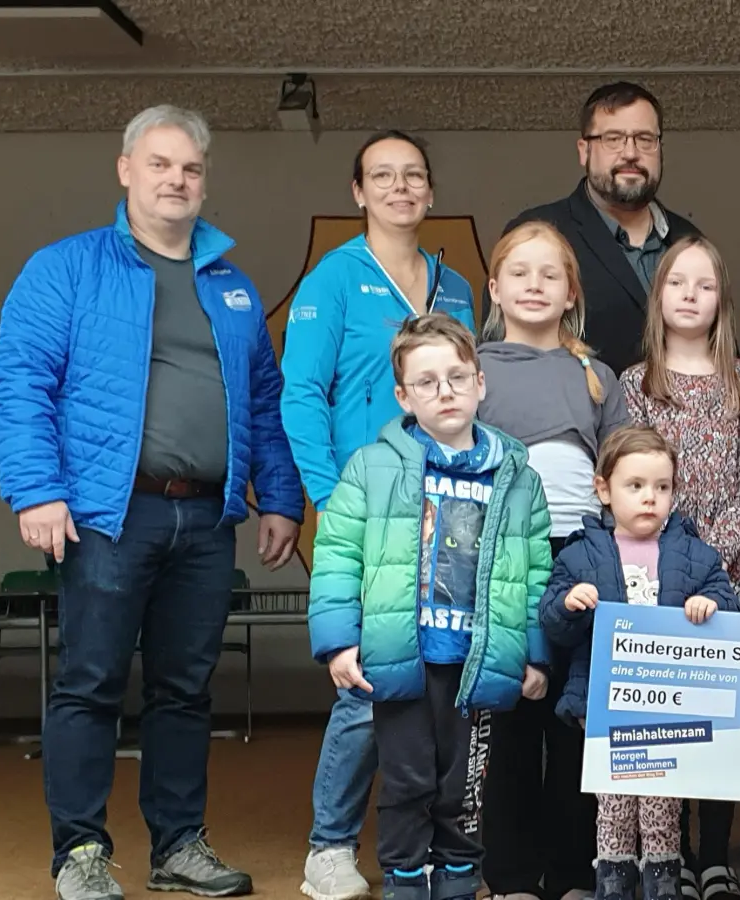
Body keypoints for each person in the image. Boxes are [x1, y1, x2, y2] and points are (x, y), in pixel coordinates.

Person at [0, 104, 304, 900]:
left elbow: (264, 402)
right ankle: (81, 855)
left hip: (204, 517)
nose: (177, 180)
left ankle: (177, 847)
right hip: (103, 515)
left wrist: (281, 499)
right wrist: (37, 490)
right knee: (90, 682)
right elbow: (19, 383)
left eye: (191, 169)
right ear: (125, 170)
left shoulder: (231, 287)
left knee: (184, 689)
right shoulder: (65, 268)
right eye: (159, 164)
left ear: (205, 183)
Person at [282, 129, 478, 900]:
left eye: (414, 176)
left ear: (430, 193)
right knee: (367, 687)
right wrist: (329, 501)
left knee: (444, 690)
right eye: (382, 176)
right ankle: (328, 847)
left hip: (454, 513)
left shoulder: (456, 285)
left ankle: (433, 847)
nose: (400, 188)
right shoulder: (333, 280)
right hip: (369, 515)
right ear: (358, 192)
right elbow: (302, 394)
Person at [307, 314, 551, 900]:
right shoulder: (372, 467)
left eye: (457, 377)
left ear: (480, 383)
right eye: (426, 382)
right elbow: (336, 553)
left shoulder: (517, 476)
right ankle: (406, 879)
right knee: (409, 780)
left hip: (478, 662)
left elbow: (537, 572)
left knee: (464, 785)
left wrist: (535, 655)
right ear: (403, 396)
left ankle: (459, 880)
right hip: (401, 659)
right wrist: (341, 641)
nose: (445, 391)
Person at [476, 221, 629, 900]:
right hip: (503, 561)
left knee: (577, 723)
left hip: (584, 559)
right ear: (495, 287)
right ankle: (509, 872)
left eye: (550, 274)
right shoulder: (473, 371)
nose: (534, 285)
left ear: (572, 293)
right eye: (520, 272)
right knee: (511, 717)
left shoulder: (597, 376)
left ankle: (572, 873)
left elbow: (623, 471)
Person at [619, 236, 740, 900]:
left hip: (730, 574)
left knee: (722, 720)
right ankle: (669, 853)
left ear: (721, 301)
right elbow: (634, 475)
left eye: (704, 285)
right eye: (677, 282)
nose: (689, 294)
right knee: (670, 717)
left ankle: (713, 855)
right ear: (659, 296)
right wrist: (677, 556)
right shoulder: (634, 384)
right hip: (656, 571)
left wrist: (708, 557)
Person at [540, 426, 740, 900]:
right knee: (612, 803)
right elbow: (553, 626)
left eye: (662, 487)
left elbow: (725, 601)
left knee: (661, 803)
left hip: (667, 709)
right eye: (635, 486)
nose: (650, 498)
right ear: (603, 489)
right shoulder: (579, 554)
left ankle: (663, 880)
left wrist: (709, 606)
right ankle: (612, 881)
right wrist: (569, 603)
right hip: (604, 704)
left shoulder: (694, 553)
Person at [503, 82, 701, 375]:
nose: (631, 153)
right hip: (577, 418)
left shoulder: (689, 241)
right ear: (584, 150)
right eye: (613, 138)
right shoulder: (538, 235)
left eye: (645, 139)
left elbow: (721, 351)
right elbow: (504, 358)